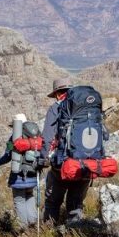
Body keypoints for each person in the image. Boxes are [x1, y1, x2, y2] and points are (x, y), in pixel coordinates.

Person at [41, 78, 91, 226]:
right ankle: (75, 236)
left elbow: (47, 137)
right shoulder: (85, 107)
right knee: (75, 205)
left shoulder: (55, 108)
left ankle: (49, 235)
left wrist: (43, 158)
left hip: (62, 165)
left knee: (53, 202)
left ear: (57, 94)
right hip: (85, 164)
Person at [0, 113, 40, 231]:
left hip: (18, 177)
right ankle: (33, 223)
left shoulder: (13, 138)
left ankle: (24, 228)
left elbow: (7, 156)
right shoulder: (34, 136)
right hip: (33, 174)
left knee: (19, 200)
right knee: (29, 196)